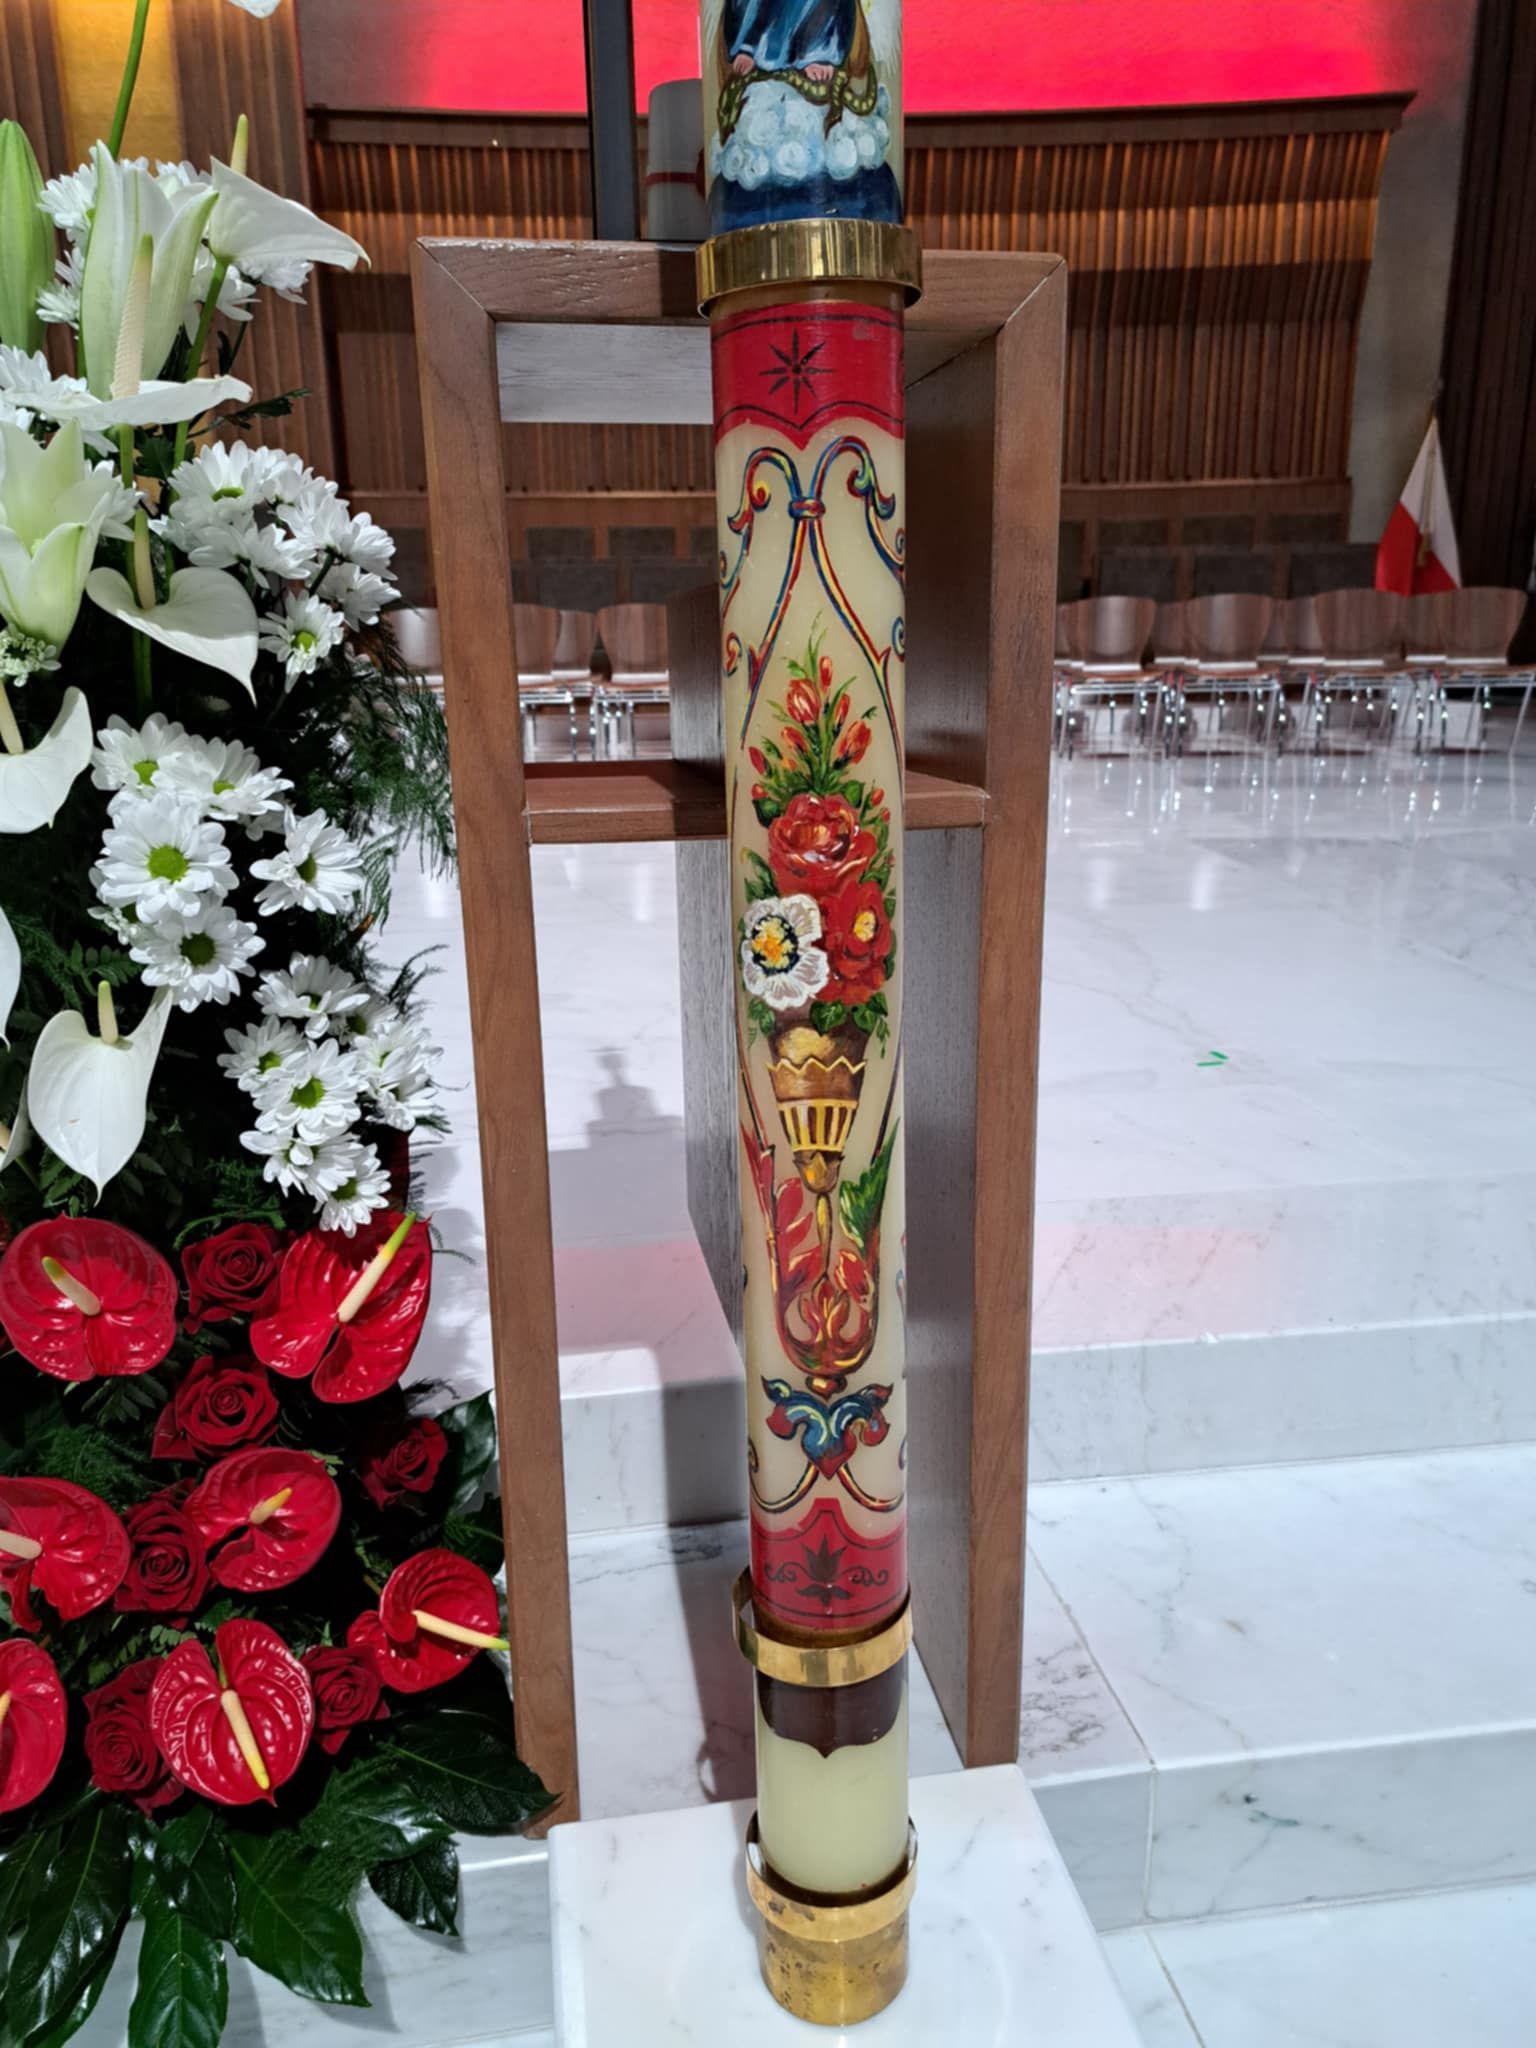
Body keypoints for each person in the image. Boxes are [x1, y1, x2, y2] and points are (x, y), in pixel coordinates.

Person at [708, 0, 900, 232]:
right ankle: (752, 47)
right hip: (764, 95)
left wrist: (821, 52)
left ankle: (820, 51)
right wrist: (747, 48)